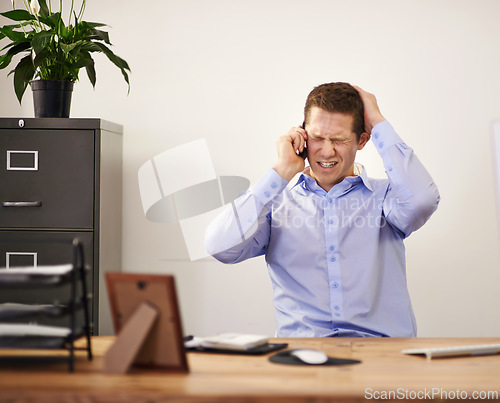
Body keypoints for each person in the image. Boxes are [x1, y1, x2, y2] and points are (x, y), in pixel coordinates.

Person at [205, 82, 440, 337]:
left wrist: (378, 122)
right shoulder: (275, 205)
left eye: (338, 139)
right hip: (303, 359)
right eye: (317, 138)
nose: (326, 151)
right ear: (303, 135)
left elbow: (423, 201)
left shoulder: (387, 198)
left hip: (382, 359)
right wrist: (281, 172)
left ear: (362, 140)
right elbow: (219, 247)